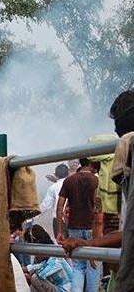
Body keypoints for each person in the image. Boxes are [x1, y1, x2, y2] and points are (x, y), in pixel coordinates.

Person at [62, 89, 134, 292]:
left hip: (83, 226)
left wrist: (86, 241)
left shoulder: (71, 181)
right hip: (94, 227)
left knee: (82, 268)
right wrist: (89, 242)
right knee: (93, 268)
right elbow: (127, 232)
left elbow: (62, 208)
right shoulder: (94, 181)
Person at [56, 157, 101, 292]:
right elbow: (98, 209)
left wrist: (60, 231)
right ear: (92, 164)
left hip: (74, 228)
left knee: (78, 266)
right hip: (91, 228)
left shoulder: (69, 181)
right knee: (93, 265)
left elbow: (59, 207)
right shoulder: (96, 181)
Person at [23, 225, 73, 292]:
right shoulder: (46, 254)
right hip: (57, 287)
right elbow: (38, 266)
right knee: (33, 286)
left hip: (66, 290)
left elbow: (40, 273)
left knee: (35, 279)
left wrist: (28, 275)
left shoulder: (55, 257)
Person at [39, 164, 69, 239]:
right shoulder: (72, 183)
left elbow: (45, 206)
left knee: (61, 244)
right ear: (68, 173)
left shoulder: (53, 188)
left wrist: (32, 216)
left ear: (56, 174)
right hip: (71, 218)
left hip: (58, 221)